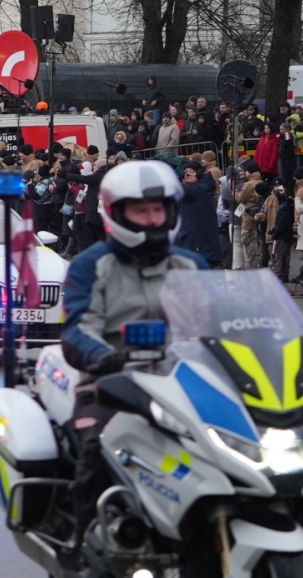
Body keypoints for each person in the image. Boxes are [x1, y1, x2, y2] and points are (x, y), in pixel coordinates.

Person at [60, 161, 208, 547]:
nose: (153, 217)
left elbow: (216, 325)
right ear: (116, 212)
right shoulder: (91, 265)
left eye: (159, 209)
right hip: (112, 383)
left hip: (184, 385)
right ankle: (83, 545)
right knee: (97, 448)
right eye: (141, 210)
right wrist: (103, 356)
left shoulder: (191, 265)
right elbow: (78, 327)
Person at [178, 161, 221, 265]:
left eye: (191, 171)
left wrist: (166, 177)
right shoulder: (190, 191)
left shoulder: (201, 189)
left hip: (201, 246)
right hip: (192, 243)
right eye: (186, 171)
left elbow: (182, 189)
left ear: (199, 173)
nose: (187, 174)